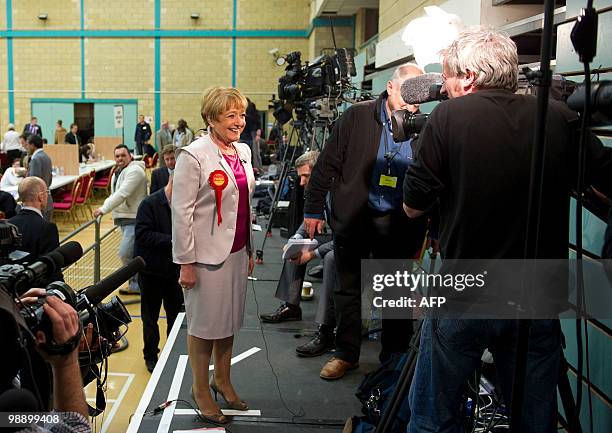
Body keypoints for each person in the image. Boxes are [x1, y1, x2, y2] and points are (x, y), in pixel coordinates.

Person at [402, 28, 612, 433]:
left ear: (468, 77)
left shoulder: (446, 117)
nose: (443, 87)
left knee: (432, 417)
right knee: (534, 421)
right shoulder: (558, 117)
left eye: (446, 76)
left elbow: (412, 207)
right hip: (537, 294)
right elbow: (602, 181)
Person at [303, 63, 428, 380]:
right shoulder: (356, 117)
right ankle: (345, 354)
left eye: (419, 98)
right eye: (408, 95)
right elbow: (327, 164)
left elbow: (434, 181)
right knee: (347, 290)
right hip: (356, 220)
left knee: (395, 296)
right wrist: (313, 209)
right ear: (390, 87)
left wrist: (436, 228)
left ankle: (394, 359)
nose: (413, 105)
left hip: (399, 224)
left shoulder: (424, 127)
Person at [172, 86, 255, 424]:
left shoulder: (244, 151)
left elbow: (245, 204)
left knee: (229, 320)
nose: (240, 122)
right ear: (211, 118)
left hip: (236, 251)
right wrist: (186, 262)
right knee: (205, 326)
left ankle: (222, 380)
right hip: (205, 258)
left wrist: (249, 247)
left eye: (242, 114)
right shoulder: (193, 155)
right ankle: (200, 388)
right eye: (231, 115)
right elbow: (181, 213)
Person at [259, 151, 337, 357]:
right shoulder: (317, 192)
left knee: (330, 257)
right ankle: (291, 305)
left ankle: (325, 329)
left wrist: (312, 255)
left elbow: (346, 238)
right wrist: (295, 239)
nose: (302, 183)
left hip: (351, 242)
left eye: (306, 177)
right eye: (300, 177)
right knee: (296, 246)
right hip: (334, 238)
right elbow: (308, 221)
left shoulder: (338, 191)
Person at [135, 175, 183, 372]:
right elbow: (143, 234)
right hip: (151, 273)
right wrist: (174, 240)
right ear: (171, 183)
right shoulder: (149, 204)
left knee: (175, 317)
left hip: (174, 272)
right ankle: (150, 356)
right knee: (150, 318)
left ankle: (171, 353)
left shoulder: (183, 205)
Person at [94, 145, 147, 295]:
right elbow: (115, 193)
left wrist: (103, 209)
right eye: (117, 156)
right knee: (131, 254)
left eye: (123, 155)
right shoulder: (119, 171)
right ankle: (135, 285)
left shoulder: (135, 171)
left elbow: (122, 193)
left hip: (134, 218)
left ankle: (137, 285)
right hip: (124, 218)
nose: (120, 159)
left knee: (125, 253)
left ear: (130, 156)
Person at [9, 177, 62, 281]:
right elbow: (51, 267)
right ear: (41, 197)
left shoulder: (7, 224)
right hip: (37, 290)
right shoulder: (47, 228)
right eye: (47, 192)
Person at [25, 135, 53, 221]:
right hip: (47, 198)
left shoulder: (36, 159)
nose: (26, 147)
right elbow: (50, 178)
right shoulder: (47, 157)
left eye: (27, 145)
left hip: (38, 202)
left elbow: (32, 183)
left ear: (32, 145)